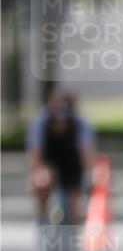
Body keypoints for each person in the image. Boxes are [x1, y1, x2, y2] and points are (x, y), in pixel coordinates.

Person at [26, 89, 96, 226]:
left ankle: (72, 235)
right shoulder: (41, 122)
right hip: (49, 162)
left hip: (72, 165)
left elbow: (87, 153)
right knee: (42, 181)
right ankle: (42, 217)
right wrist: (34, 175)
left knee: (74, 208)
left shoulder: (80, 124)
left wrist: (89, 177)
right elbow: (35, 153)